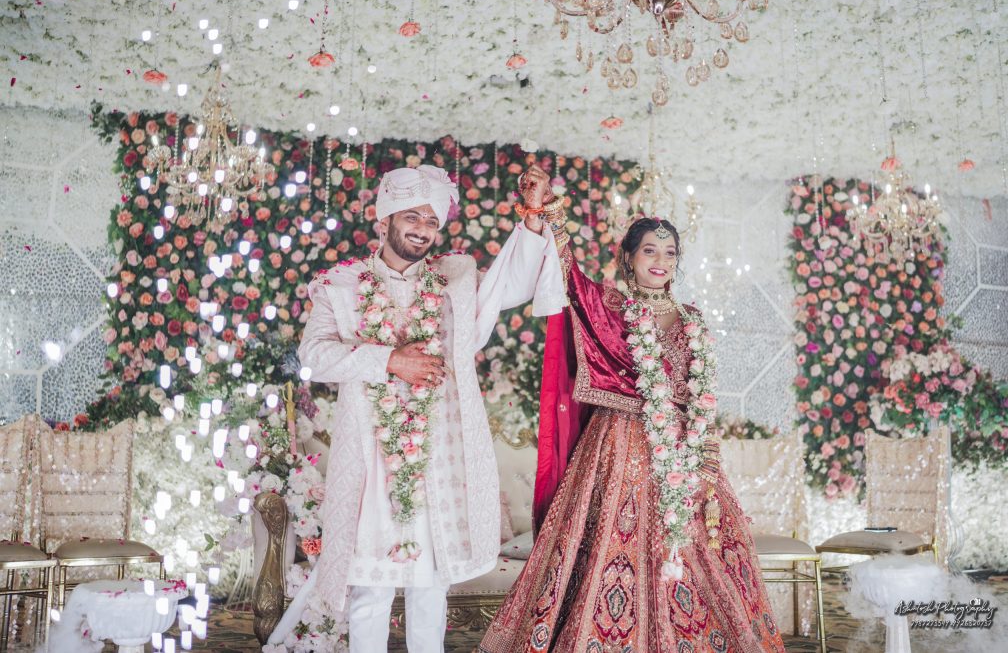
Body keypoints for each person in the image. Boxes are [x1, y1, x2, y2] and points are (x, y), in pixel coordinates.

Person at [480, 166, 786, 652]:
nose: (661, 261)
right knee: (607, 545)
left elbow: (698, 393)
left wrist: (706, 460)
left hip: (683, 455)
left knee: (694, 550)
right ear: (628, 257)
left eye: (670, 253)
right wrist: (548, 211)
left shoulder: (692, 320)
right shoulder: (612, 307)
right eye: (650, 250)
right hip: (618, 446)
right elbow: (568, 277)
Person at [270, 164, 565, 652]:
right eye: (412, 217)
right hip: (371, 460)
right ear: (382, 220)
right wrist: (389, 360)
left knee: (431, 587)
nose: (423, 230)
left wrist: (533, 217)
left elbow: (510, 287)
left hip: (437, 460)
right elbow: (314, 355)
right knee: (371, 590)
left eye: (432, 221)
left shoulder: (455, 280)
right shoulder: (340, 287)